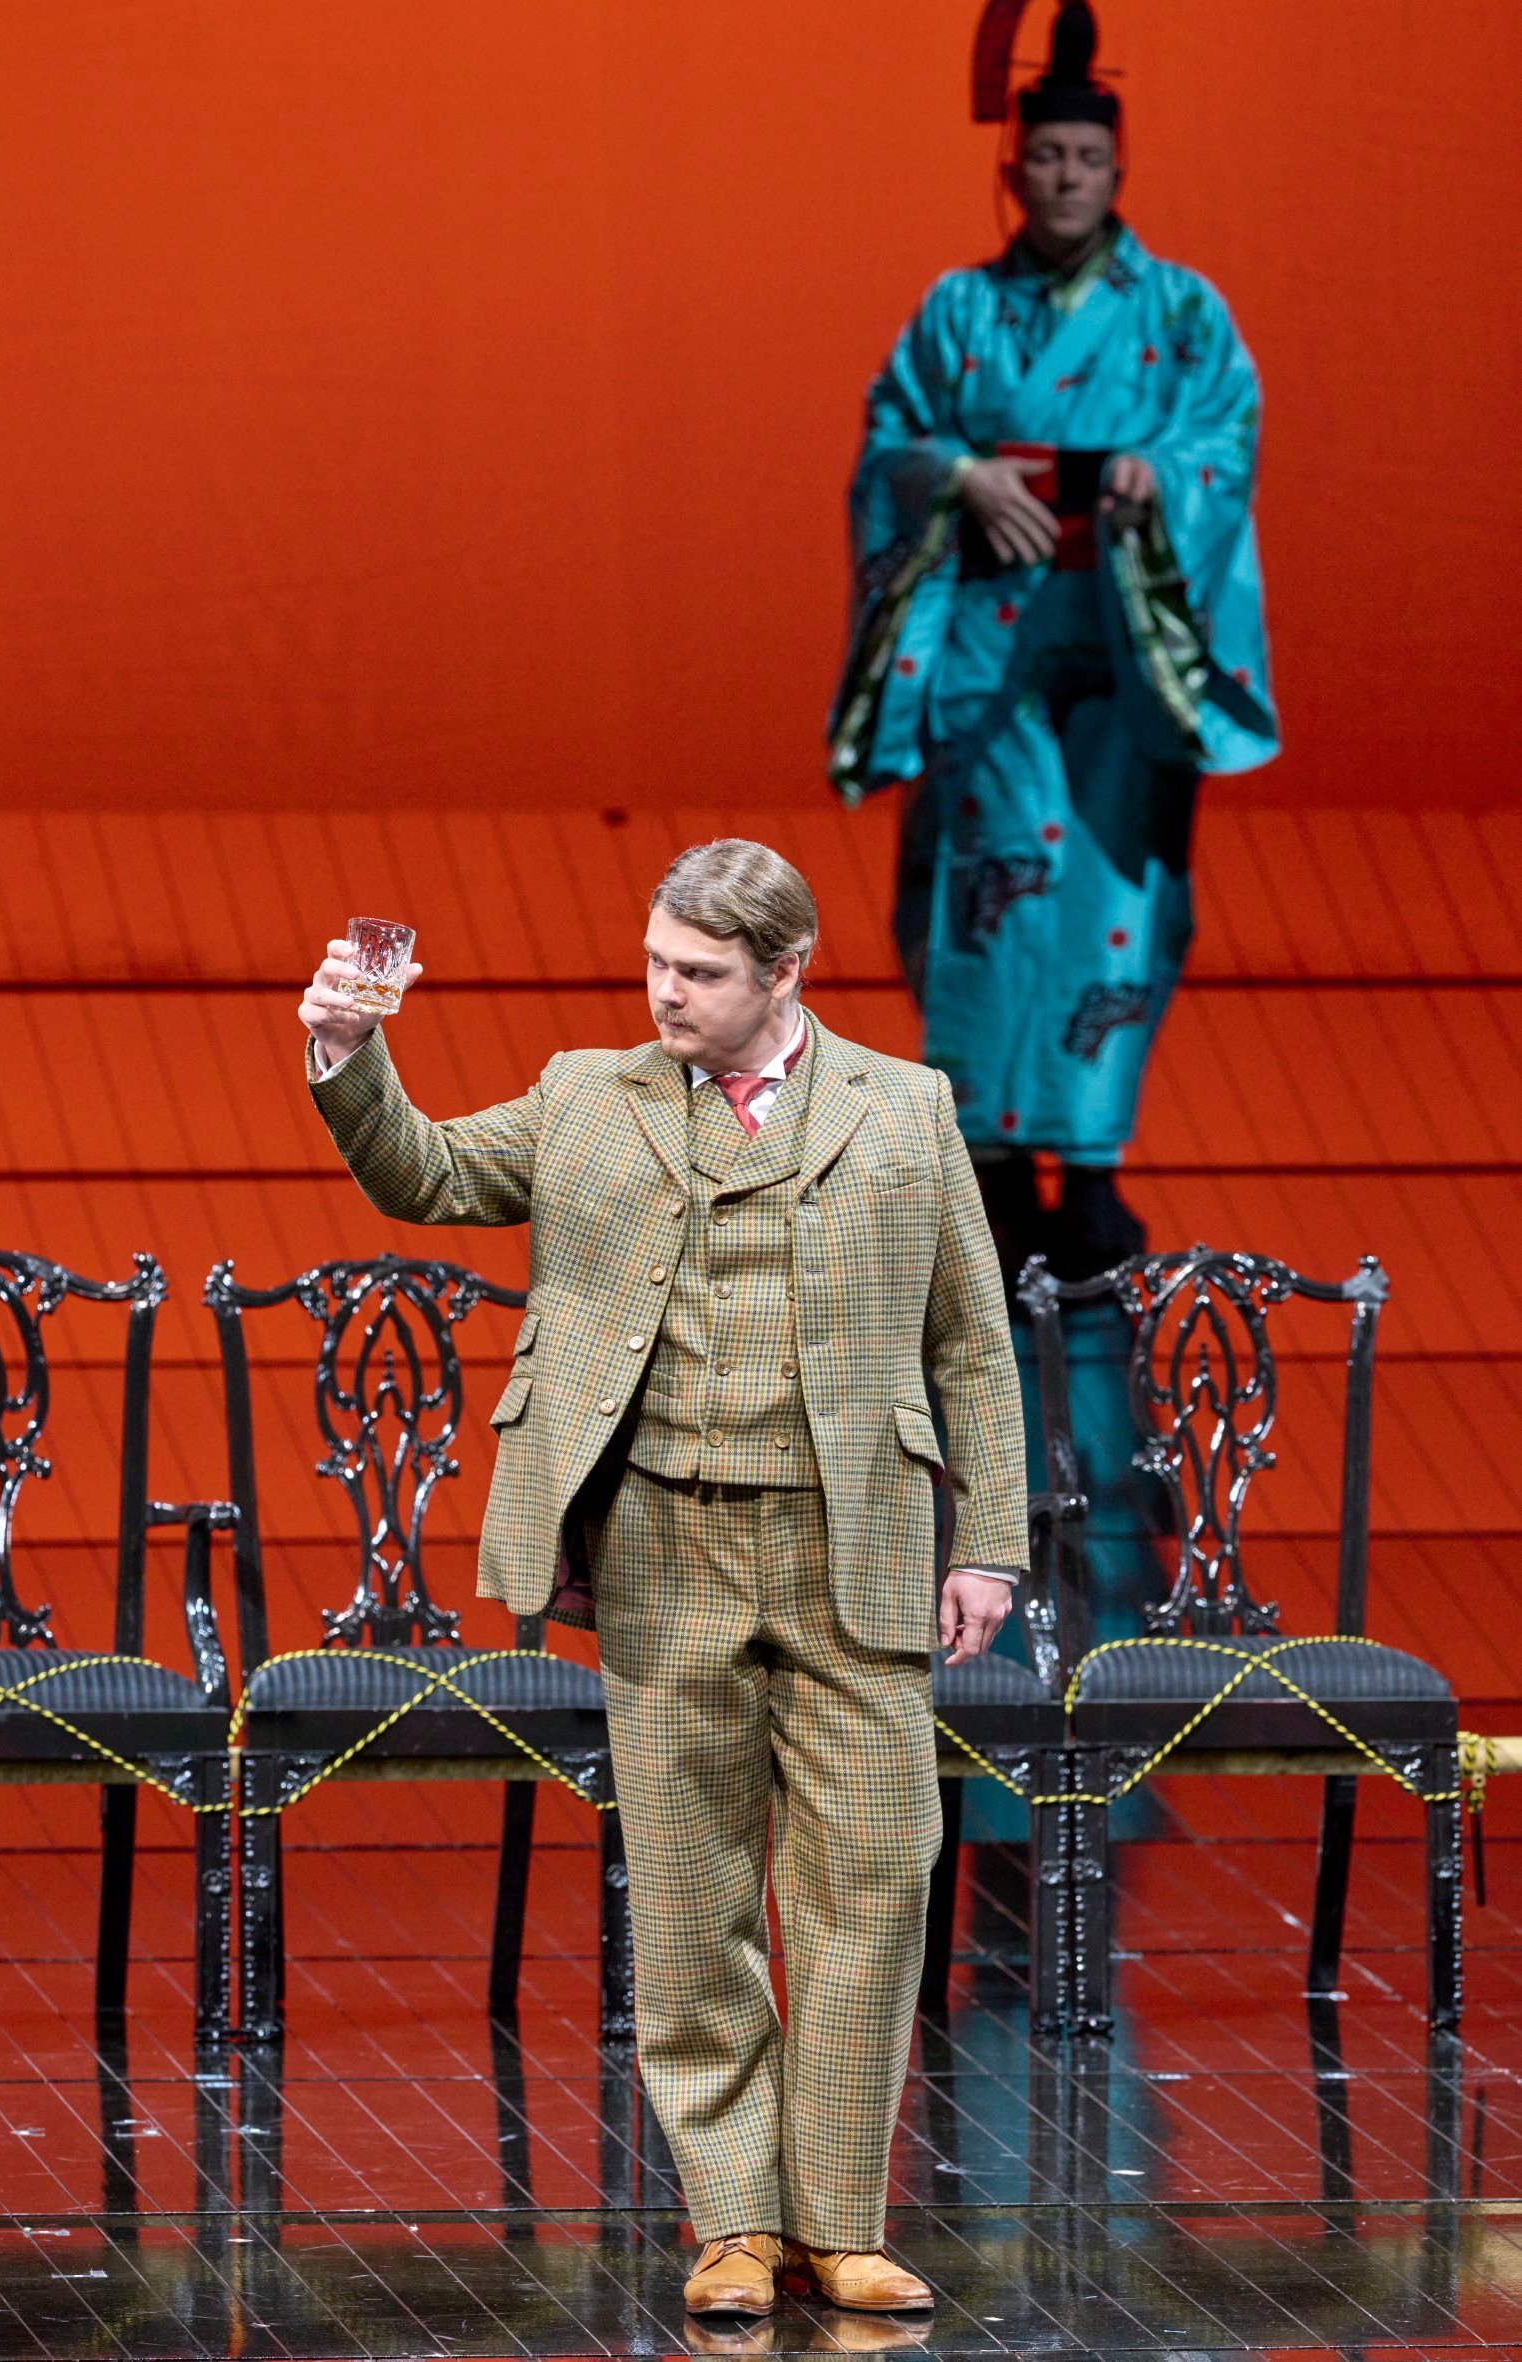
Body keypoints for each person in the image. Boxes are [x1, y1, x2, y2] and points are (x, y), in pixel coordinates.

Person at [299, 838, 1028, 2318]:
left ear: (783, 971)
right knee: (693, 1904)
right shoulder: (590, 1096)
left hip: (854, 1544)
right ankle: (733, 2224)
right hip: (660, 1540)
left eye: (697, 974)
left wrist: (992, 1541)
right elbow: (426, 1175)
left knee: (870, 1885)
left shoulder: (905, 1108)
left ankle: (839, 2215)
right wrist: (345, 1050)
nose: (666, 995)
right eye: (655, 966)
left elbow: (968, 1334)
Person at [829, 0, 1277, 1285]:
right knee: (984, 893)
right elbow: (890, 441)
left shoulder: (1180, 312)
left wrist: (1160, 474)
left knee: (1110, 902)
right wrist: (962, 476)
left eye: (1085, 160)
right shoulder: (957, 311)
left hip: (1124, 644)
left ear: (1115, 170)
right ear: (1009, 169)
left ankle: (1087, 1169)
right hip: (988, 642)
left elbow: (1223, 439)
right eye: (1044, 159)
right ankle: (985, 1166)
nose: (1065, 178)